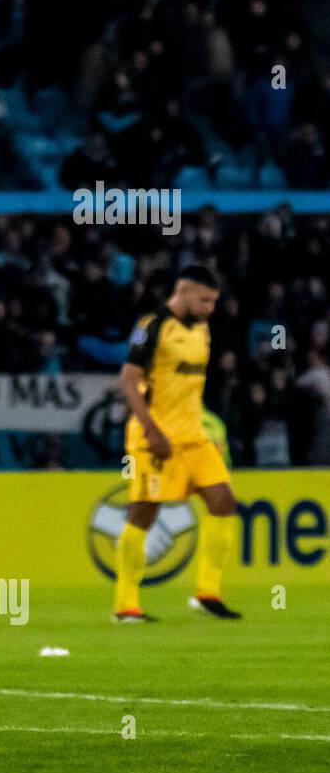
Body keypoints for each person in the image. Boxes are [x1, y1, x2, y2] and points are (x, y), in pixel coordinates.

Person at [114, 266, 241, 622]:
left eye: (214, 301)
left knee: (223, 501)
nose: (209, 307)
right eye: (204, 299)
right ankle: (126, 605)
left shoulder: (202, 329)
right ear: (182, 291)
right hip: (154, 438)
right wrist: (153, 431)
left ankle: (207, 593)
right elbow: (128, 380)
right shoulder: (152, 326)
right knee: (144, 513)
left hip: (193, 437)